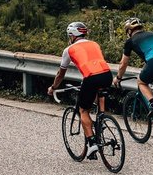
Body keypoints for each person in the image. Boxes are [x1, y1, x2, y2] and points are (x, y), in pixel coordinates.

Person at [47, 22, 113, 160]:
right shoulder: (95, 44)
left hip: (91, 77)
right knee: (98, 93)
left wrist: (53, 87)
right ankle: (102, 117)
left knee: (83, 110)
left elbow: (60, 74)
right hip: (107, 74)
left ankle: (92, 143)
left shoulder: (69, 50)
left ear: (72, 35)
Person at [112, 18, 153, 128]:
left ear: (129, 31)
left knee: (141, 82)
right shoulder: (152, 34)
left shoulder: (130, 41)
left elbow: (123, 63)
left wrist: (118, 77)